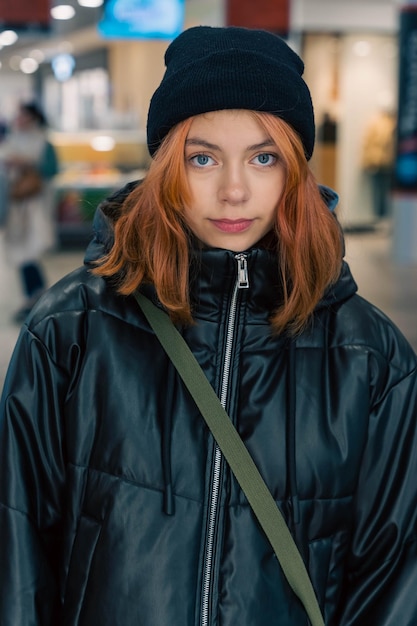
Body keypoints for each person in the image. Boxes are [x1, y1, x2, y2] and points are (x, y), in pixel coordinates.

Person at [0, 25, 417, 626]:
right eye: (202, 158)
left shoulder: (369, 357)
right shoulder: (72, 328)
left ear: (294, 171)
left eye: (264, 157)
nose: (233, 190)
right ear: (169, 166)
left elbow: (394, 578)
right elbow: (17, 545)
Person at [0, 101, 59, 322]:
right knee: (22, 254)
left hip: (36, 208)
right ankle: (35, 296)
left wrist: (26, 165)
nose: (19, 119)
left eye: (23, 115)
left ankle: (36, 297)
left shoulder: (43, 143)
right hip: (16, 208)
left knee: (30, 252)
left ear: (33, 118)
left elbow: (51, 170)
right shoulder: (12, 141)